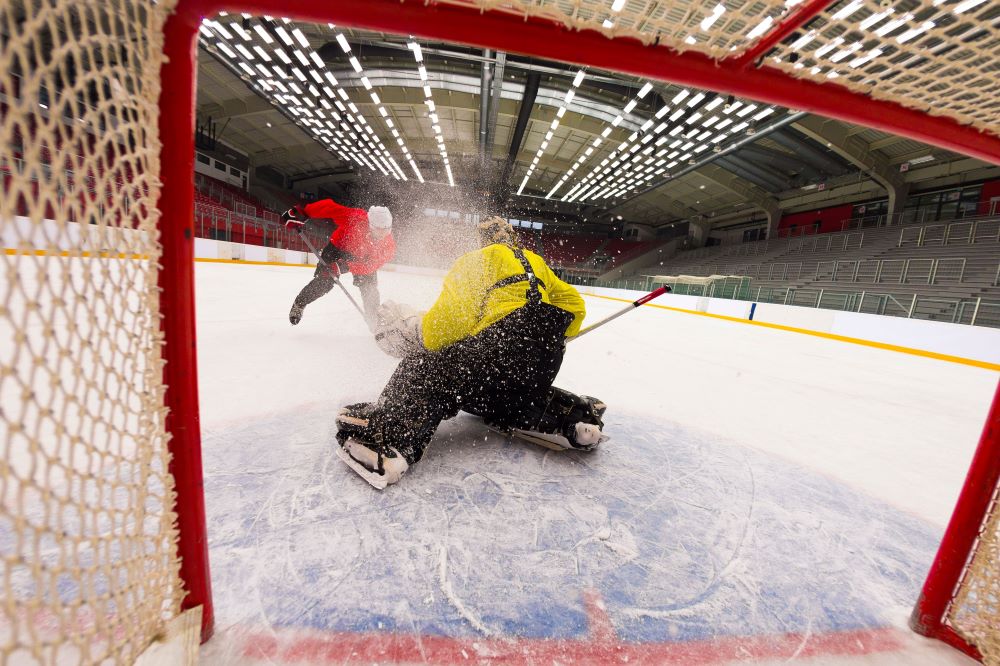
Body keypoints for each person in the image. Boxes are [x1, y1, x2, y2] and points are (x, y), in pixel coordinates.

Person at [334, 216, 608, 489]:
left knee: (426, 366)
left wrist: (417, 336)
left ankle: (389, 441)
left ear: (483, 240)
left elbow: (445, 328)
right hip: (542, 363)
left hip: (498, 351)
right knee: (505, 394)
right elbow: (576, 307)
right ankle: (574, 417)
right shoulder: (536, 263)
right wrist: (540, 337)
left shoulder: (479, 259)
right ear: (511, 238)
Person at [281, 198, 395, 328]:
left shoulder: (388, 245)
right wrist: (303, 212)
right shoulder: (356, 218)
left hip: (362, 260)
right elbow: (330, 208)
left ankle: (374, 319)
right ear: (370, 224)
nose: (382, 234)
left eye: (385, 230)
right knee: (325, 282)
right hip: (337, 248)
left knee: (370, 289)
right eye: (378, 230)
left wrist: (345, 266)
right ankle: (299, 303)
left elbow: (370, 266)